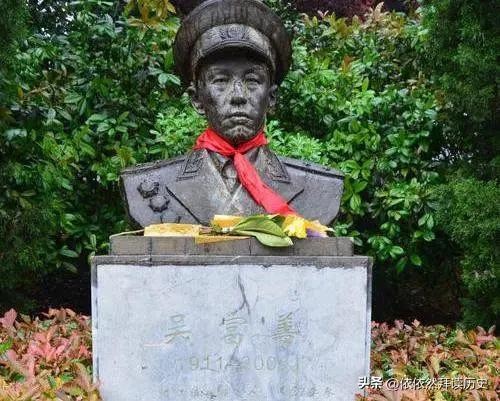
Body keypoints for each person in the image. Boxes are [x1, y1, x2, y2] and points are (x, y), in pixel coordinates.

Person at [121, 0, 344, 228]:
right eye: (221, 80)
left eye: (252, 80)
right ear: (197, 99)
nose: (238, 95)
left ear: (271, 97)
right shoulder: (147, 185)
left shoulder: (320, 188)